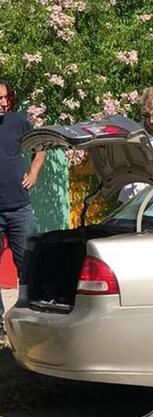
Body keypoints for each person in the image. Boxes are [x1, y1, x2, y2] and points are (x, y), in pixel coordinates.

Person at [0, 79, 46, 336]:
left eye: (6, 97)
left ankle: (28, 314)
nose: (4, 103)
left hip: (19, 207)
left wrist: (34, 172)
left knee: (27, 262)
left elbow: (40, 149)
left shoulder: (18, 121)